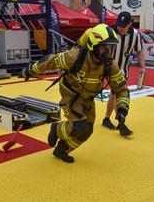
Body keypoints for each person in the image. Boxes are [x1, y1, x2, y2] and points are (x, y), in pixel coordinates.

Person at [21, 24, 131, 163]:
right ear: (93, 45)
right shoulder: (74, 57)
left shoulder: (109, 65)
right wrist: (30, 70)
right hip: (71, 95)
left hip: (88, 99)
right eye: (105, 47)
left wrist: (122, 109)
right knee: (79, 126)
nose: (108, 52)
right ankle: (56, 128)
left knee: (87, 130)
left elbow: (121, 89)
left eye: (111, 48)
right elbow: (50, 62)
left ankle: (61, 150)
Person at [102, 11, 145, 131]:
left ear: (130, 24)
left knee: (115, 94)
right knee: (117, 93)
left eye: (123, 26)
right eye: (119, 25)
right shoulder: (110, 32)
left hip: (123, 69)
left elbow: (140, 51)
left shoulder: (135, 34)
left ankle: (108, 119)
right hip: (109, 68)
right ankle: (121, 121)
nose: (120, 28)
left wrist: (143, 67)